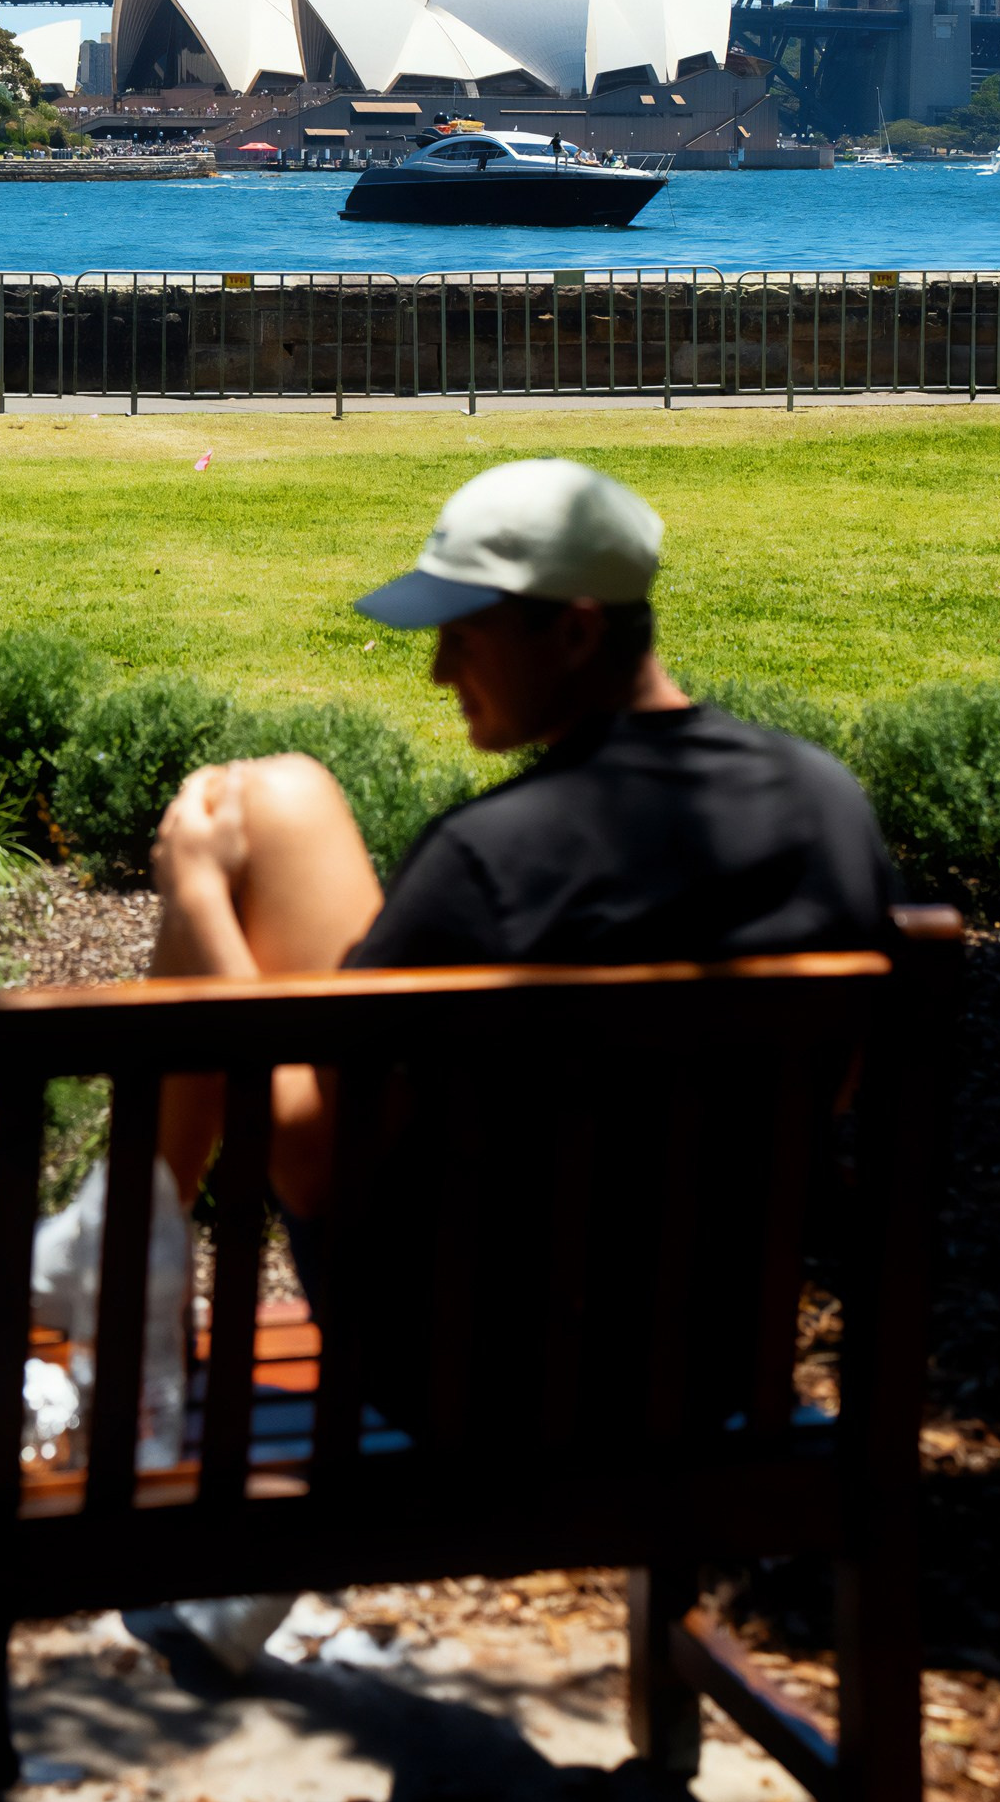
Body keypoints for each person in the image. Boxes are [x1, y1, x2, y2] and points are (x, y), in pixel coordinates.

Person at [138, 456, 898, 1673]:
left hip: (469, 1384)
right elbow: (847, 1086)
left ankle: (125, 1266)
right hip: (710, 1371)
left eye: (463, 634)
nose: (438, 668)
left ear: (577, 629)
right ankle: (122, 1261)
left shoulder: (491, 865)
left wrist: (196, 901)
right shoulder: (824, 807)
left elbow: (313, 1169)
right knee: (281, 798)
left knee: (257, 815)